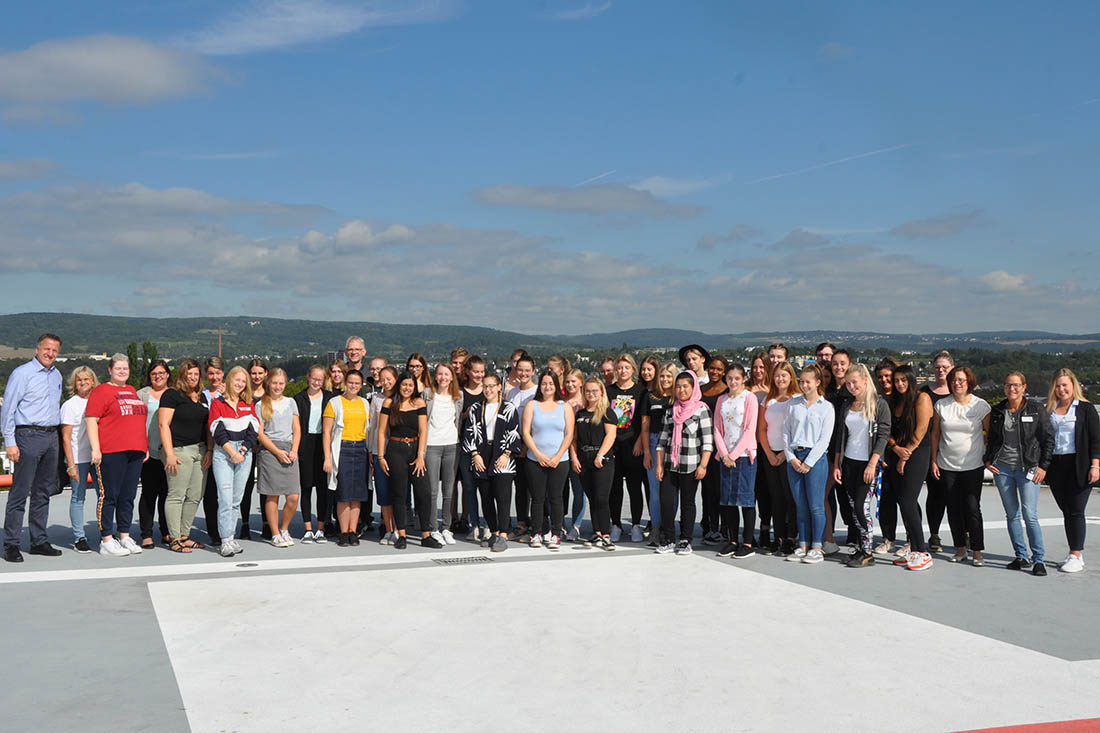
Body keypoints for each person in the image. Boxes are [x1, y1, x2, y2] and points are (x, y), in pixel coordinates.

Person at [2, 333, 64, 562]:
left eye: (55, 350)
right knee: (20, 492)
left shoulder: (56, 374)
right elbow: (8, 409)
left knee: (43, 492)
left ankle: (38, 540)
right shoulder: (22, 374)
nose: (50, 353)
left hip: (51, 437)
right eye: (47, 349)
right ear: (37, 349)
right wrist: (10, 442)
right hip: (27, 435)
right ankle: (10, 544)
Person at [984, 372, 1052, 575]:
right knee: (1012, 514)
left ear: (1024, 387)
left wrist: (1043, 466)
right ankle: (1021, 556)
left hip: (1028, 468)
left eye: (1015, 385)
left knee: (1029, 514)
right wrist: (987, 461)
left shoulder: (1036, 409)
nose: (1011, 389)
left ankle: (1038, 559)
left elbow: (1048, 438)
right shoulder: (997, 410)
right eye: (1008, 385)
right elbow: (992, 439)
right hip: (1002, 468)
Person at [85, 353, 150, 558]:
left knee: (128, 496)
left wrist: (144, 446)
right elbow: (91, 420)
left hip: (135, 451)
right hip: (111, 451)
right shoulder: (101, 391)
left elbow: (136, 421)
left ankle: (124, 535)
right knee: (109, 495)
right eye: (118, 368)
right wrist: (96, 448)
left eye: (126, 368)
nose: (122, 371)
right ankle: (106, 539)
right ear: (110, 370)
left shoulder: (131, 390)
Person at [832, 364, 891, 568]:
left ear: (865, 380)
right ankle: (859, 547)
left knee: (861, 506)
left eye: (855, 382)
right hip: (849, 463)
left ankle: (868, 551)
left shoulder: (879, 404)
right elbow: (840, 435)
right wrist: (837, 464)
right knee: (853, 509)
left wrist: (873, 463)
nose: (851, 386)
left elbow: (883, 436)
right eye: (848, 383)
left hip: (868, 465)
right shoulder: (847, 405)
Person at [930, 366, 991, 566]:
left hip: (973, 465)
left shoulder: (980, 406)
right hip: (947, 465)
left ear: (969, 382)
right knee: (953, 509)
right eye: (954, 380)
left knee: (973, 508)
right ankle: (960, 549)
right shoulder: (942, 405)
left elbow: (989, 434)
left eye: (961, 380)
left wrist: (989, 457)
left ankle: (977, 551)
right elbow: (936, 434)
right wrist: (933, 460)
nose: (957, 383)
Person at [1045, 369, 1100, 573]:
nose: (1061, 389)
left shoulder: (1085, 409)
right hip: (1056, 466)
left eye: (1065, 385)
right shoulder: (1049, 408)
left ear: (1073, 385)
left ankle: (1076, 554)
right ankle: (1074, 553)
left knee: (1076, 511)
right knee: (1067, 511)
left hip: (1080, 465)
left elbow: (1096, 439)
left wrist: (1095, 465)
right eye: (1058, 386)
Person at [655, 371, 713, 555]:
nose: (681, 390)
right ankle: (669, 538)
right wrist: (658, 465)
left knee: (688, 502)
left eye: (685, 386)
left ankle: (686, 539)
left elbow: (707, 441)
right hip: (669, 465)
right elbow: (662, 441)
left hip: (691, 464)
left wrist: (703, 465)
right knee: (666, 501)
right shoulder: (671, 410)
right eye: (678, 386)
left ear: (693, 387)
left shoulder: (701, 410)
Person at [782, 364, 835, 565]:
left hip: (815, 459)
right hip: (794, 457)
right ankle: (802, 544)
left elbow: (824, 439)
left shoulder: (826, 407)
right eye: (801, 381)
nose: (804, 385)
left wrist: (809, 462)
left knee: (816, 505)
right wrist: (791, 458)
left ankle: (817, 546)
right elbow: (785, 433)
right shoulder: (792, 404)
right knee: (800, 505)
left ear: (818, 382)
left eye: (808, 382)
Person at [463, 374, 522, 552]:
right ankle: (494, 532)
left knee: (503, 497)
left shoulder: (508, 408)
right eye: (485, 386)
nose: (488, 390)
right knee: (486, 497)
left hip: (503, 454)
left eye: (491, 386)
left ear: (499, 387)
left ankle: (503, 534)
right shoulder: (475, 408)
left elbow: (514, 432)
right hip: (481, 454)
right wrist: (475, 454)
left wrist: (506, 454)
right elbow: (469, 432)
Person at [884, 365, 934, 571]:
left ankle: (922, 551)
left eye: (904, 380)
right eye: (896, 380)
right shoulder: (894, 400)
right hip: (897, 453)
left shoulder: (922, 398)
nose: (899, 384)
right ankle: (913, 550)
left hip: (917, 453)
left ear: (911, 379)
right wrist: (896, 449)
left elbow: (921, 431)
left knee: (908, 501)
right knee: (903, 502)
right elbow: (885, 428)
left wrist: (905, 455)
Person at [158, 358, 210, 553]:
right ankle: (174, 538)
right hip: (179, 451)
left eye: (196, 374)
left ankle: (184, 535)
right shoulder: (172, 395)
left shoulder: (202, 397)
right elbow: (163, 425)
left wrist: (210, 450)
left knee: (195, 496)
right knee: (176, 495)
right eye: (190, 374)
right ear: (182, 375)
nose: (193, 378)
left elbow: (208, 426)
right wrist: (169, 453)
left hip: (200, 451)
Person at [208, 366, 262, 558]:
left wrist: (243, 451)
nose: (239, 384)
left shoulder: (248, 404)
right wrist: (232, 452)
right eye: (236, 380)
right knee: (225, 498)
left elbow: (253, 430)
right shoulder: (218, 403)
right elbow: (217, 430)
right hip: (224, 454)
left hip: (243, 454)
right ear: (229, 380)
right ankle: (225, 541)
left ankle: (230, 538)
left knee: (236, 500)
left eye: (243, 381)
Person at [377, 372, 433, 549]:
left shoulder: (419, 403)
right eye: (404, 384)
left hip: (416, 451)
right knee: (399, 494)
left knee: (423, 493)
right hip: (395, 451)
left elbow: (423, 431)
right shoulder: (389, 403)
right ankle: (401, 535)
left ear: (414, 387)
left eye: (410, 385)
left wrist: (420, 456)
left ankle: (426, 535)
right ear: (398, 385)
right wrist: (380, 456)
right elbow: (381, 432)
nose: (407, 388)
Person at [521, 370, 575, 550]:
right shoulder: (532, 405)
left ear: (556, 386)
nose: (547, 387)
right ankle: (536, 533)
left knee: (556, 498)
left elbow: (569, 434)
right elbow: (526, 433)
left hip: (559, 461)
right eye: (544, 383)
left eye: (551, 383)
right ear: (540, 386)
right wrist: (537, 454)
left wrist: (558, 456)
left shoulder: (564, 407)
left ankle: (555, 534)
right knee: (537, 498)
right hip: (535, 460)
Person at [712, 363, 759, 558]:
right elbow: (717, 428)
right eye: (730, 378)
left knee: (746, 500)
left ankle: (747, 542)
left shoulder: (749, 398)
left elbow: (750, 429)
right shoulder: (722, 400)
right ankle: (733, 540)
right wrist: (724, 454)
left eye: (737, 379)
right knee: (729, 501)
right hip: (725, 457)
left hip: (743, 456)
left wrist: (733, 455)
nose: (733, 382)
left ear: (743, 379)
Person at [323, 370, 370, 547]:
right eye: (351, 382)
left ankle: (353, 530)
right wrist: (327, 457)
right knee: (343, 492)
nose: (353, 386)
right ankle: (343, 532)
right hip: (341, 449)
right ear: (345, 382)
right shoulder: (334, 403)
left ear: (362, 384)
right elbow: (327, 432)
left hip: (360, 449)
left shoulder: (365, 403)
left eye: (357, 383)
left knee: (357, 493)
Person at [757, 363, 798, 556]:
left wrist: (784, 453)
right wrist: (769, 454)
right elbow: (762, 429)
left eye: (784, 375)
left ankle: (791, 537)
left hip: (789, 455)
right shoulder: (767, 400)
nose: (780, 379)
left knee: (791, 497)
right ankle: (779, 536)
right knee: (776, 498)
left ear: (791, 377)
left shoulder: (797, 400)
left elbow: (798, 430)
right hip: (770, 455)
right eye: (777, 376)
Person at [257, 369, 301, 548]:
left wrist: (294, 450)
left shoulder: (291, 403)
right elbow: (260, 434)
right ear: (268, 383)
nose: (277, 387)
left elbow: (297, 429)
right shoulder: (261, 405)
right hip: (270, 451)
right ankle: (275, 533)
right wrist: (277, 452)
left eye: (281, 383)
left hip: (289, 448)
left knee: (293, 496)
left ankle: (284, 528)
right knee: (272, 495)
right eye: (274, 383)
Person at [572, 377, 618, 550]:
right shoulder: (580, 414)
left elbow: (611, 436)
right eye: (588, 391)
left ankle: (606, 534)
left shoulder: (607, 412)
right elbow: (574, 439)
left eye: (594, 391)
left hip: (602, 460)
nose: (591, 394)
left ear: (601, 393)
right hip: (583, 460)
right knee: (592, 498)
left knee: (601, 498)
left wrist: (600, 455)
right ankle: (596, 532)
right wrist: (574, 458)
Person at [607, 353, 649, 543]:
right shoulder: (609, 391)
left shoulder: (641, 392)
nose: (623, 371)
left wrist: (640, 442)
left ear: (633, 369)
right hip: (614, 446)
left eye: (626, 367)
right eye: (620, 368)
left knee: (634, 488)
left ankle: (635, 526)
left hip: (633, 446)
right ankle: (615, 524)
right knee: (614, 488)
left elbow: (643, 422)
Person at [424, 363, 464, 545]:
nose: (443, 378)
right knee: (432, 491)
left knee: (449, 490)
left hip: (451, 446)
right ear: (435, 376)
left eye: (446, 374)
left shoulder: (458, 396)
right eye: (440, 374)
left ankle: (446, 528)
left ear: (452, 377)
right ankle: (433, 528)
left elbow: (459, 420)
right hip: (431, 446)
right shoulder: (427, 394)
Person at [61, 365, 99, 554]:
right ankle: (79, 537)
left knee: (104, 496)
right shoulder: (70, 405)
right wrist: (71, 465)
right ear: (74, 383)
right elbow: (66, 438)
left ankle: (106, 532)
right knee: (78, 498)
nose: (83, 382)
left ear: (93, 381)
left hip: (98, 457)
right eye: (79, 380)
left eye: (86, 379)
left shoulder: (99, 401)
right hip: (79, 458)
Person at [293, 365, 332, 543]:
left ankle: (321, 528)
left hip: (324, 444)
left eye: (320, 379)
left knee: (323, 489)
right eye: (314, 379)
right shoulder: (298, 399)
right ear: (308, 378)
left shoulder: (331, 398)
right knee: (307, 487)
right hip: (305, 445)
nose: (316, 382)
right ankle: (308, 528)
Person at [921, 350, 954, 551]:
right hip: (930, 450)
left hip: (954, 451)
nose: (941, 370)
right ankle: (934, 534)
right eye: (937, 367)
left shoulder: (960, 391)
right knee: (935, 495)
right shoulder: (925, 392)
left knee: (957, 495)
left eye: (945, 367)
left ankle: (964, 533)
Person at [136, 359, 171, 548]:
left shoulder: (174, 394)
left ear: (167, 374)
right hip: (148, 452)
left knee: (167, 494)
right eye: (154, 373)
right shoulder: (141, 394)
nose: (158, 376)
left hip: (168, 452)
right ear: (150, 376)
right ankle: (146, 533)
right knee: (149, 494)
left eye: (161, 373)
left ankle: (166, 531)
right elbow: (135, 424)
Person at [643, 363, 676, 547]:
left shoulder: (678, 398)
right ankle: (656, 528)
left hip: (674, 445)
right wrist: (647, 451)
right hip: (655, 443)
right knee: (655, 491)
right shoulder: (651, 397)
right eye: (662, 376)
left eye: (669, 376)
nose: (665, 379)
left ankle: (668, 529)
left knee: (671, 492)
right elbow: (645, 426)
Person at [505, 356, 537, 540]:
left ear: (533, 371)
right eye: (520, 370)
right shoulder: (512, 393)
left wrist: (526, 445)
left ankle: (536, 525)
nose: (523, 373)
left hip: (531, 446)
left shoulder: (536, 392)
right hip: (514, 447)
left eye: (527, 370)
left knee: (534, 488)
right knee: (520, 486)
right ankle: (521, 523)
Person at [699, 356, 728, 544]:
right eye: (712, 368)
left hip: (723, 445)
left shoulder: (728, 391)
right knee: (707, 489)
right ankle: (709, 525)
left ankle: (724, 527)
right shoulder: (700, 391)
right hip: (703, 444)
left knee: (721, 488)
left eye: (719, 369)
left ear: (724, 371)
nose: (714, 372)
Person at [367, 366, 398, 544]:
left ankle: (399, 528)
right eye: (383, 379)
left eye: (389, 378)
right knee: (384, 492)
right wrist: (371, 450)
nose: (386, 382)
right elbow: (372, 428)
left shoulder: (402, 398)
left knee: (398, 493)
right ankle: (388, 528)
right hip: (380, 451)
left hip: (398, 452)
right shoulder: (376, 399)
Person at [239, 358, 269, 540]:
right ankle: (244, 524)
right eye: (253, 373)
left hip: (265, 446)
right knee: (246, 486)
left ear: (266, 373)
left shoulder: (270, 394)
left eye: (260, 373)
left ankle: (266, 523)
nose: (257, 376)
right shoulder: (244, 394)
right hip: (247, 445)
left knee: (265, 486)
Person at [459, 356, 487, 541]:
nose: (479, 375)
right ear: (468, 371)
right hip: (465, 446)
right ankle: (473, 524)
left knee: (486, 489)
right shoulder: (460, 393)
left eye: (482, 372)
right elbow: (456, 417)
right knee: (469, 488)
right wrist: (466, 414)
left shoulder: (488, 391)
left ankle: (486, 524)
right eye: (476, 371)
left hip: (485, 447)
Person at [201, 356, 226, 545]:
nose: (214, 377)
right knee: (210, 493)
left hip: (228, 449)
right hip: (208, 448)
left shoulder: (231, 392)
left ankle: (227, 529)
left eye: (217, 373)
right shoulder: (202, 395)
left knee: (226, 492)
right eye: (211, 373)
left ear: (223, 373)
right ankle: (213, 532)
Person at [562, 368, 588, 541]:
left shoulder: (587, 402)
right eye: (567, 381)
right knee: (559, 490)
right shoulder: (561, 402)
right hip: (561, 450)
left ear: (581, 382)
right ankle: (560, 522)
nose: (570, 384)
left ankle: (576, 525)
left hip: (580, 451)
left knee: (579, 491)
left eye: (574, 381)